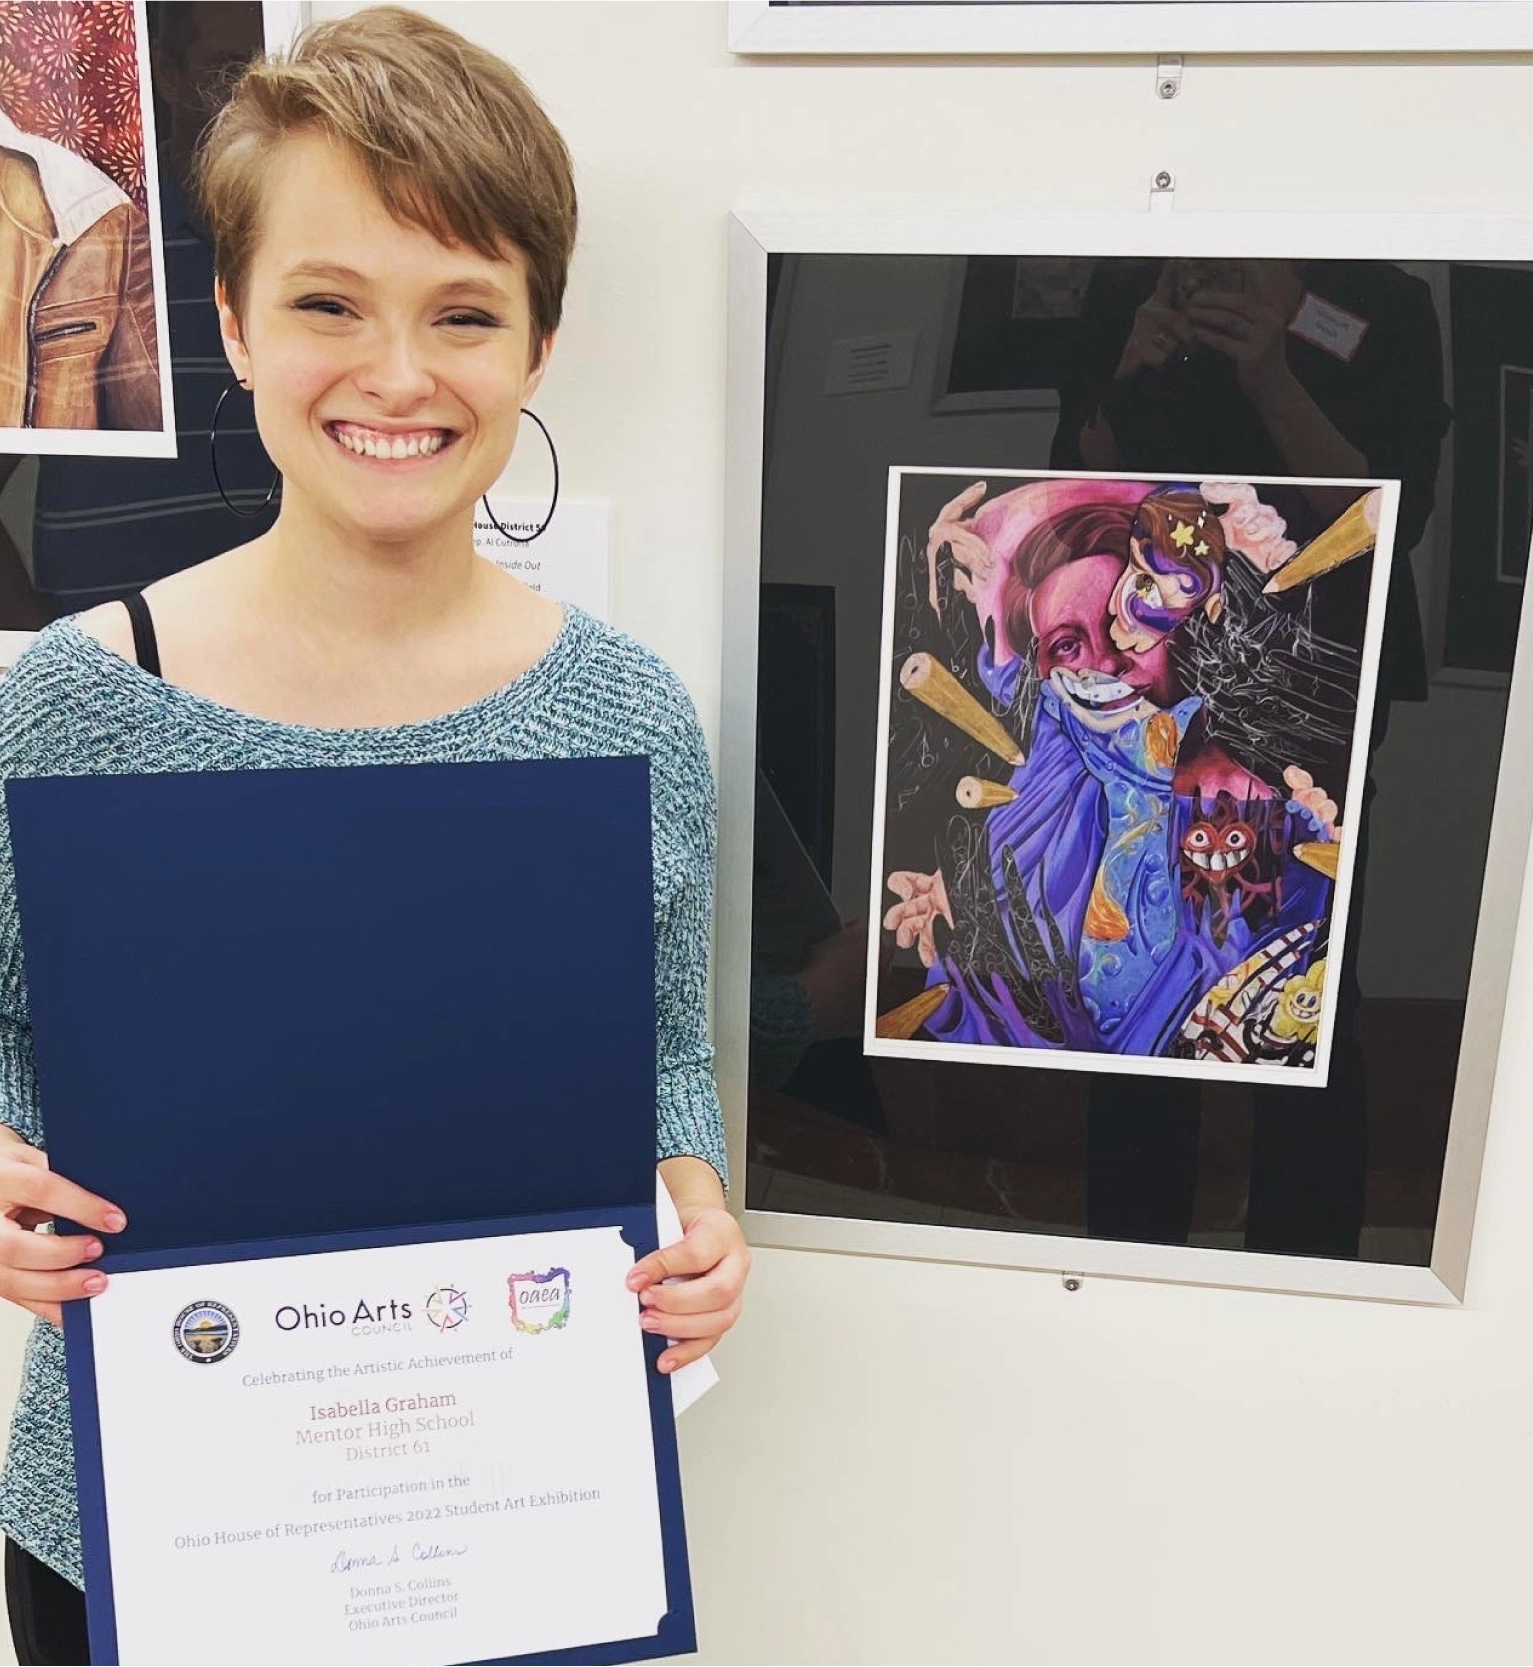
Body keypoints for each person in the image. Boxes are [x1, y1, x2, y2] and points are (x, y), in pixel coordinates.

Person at [0, 12, 748, 1662]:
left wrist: (701, 1213)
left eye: (462, 312)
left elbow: (666, 1057)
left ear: (539, 346)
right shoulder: (73, 703)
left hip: (508, 1526)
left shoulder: (627, 713)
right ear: (231, 322)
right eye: (328, 303)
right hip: (151, 1524)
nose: (398, 375)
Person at [1048, 255, 1450, 1252]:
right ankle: (1128, 1265)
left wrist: (1271, 376)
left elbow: (1396, 517)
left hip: (1313, 680)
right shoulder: (1130, 286)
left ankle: (1306, 1278)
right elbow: (1071, 488)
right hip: (1150, 675)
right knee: (1141, 972)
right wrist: (1123, 375)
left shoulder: (1384, 300)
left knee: (1303, 983)